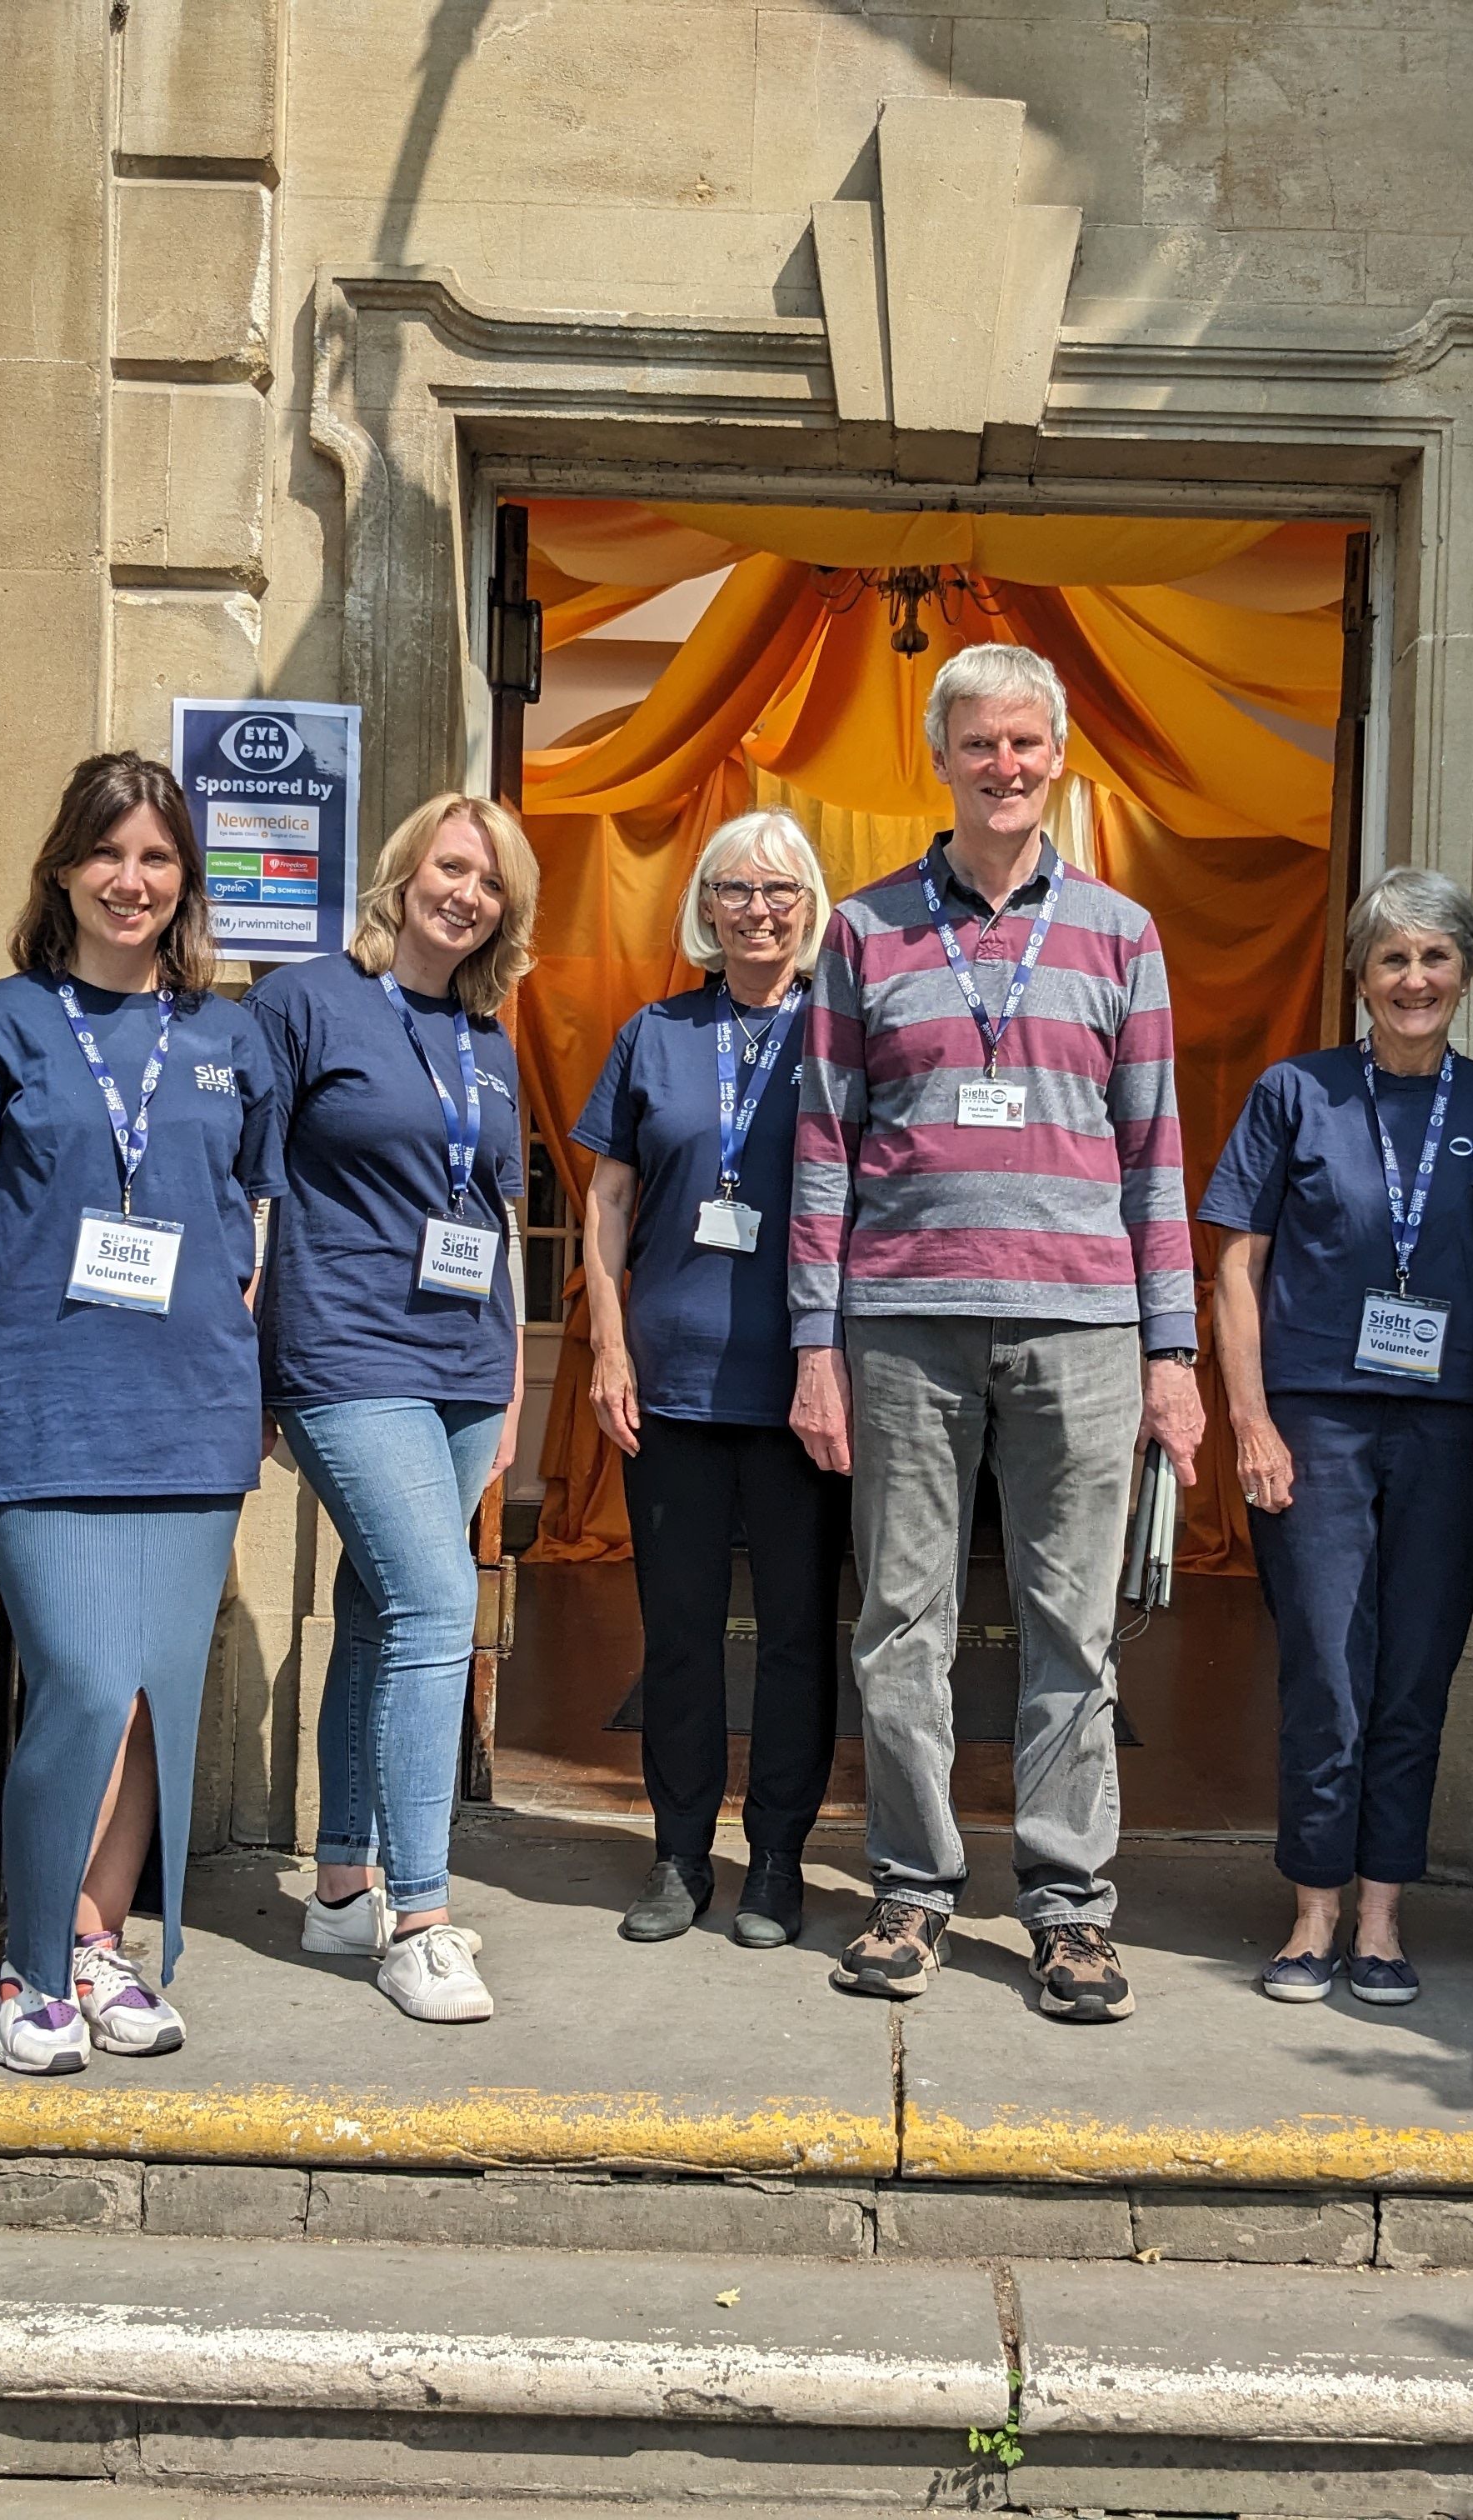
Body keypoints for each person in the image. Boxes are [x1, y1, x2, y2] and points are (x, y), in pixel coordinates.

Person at [791, 642, 1204, 2027]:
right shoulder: (862, 931)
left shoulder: (1121, 933)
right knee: (899, 1621)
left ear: (1059, 756)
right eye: (982, 744)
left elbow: (1155, 1154)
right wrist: (812, 1344)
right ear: (943, 756)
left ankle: (1070, 1912)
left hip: (1082, 1324)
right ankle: (911, 1889)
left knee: (1070, 1630)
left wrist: (1173, 1354)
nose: (1007, 766)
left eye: (1028, 744)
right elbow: (824, 1155)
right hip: (902, 1323)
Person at [0, 752, 282, 2076]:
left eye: (159, 859)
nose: (132, 881)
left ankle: (94, 1946)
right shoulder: (0, 1024)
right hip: (40, 1403)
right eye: (109, 854)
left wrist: (255, 1373)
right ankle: (28, 1961)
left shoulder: (234, 1037)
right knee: (75, 1676)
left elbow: (254, 1226)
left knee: (147, 1698)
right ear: (64, 868)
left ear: (185, 884)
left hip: (189, 1413)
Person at [1204, 868, 1473, 2004]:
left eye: (1436, 957)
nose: (1414, 979)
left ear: (1468, 974)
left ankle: (1385, 1921)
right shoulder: (1295, 1093)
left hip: (1448, 1432)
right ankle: (1312, 1914)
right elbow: (1235, 1269)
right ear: (1358, 975)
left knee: (1415, 1674)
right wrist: (1249, 1421)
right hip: (1315, 1424)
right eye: (1392, 958)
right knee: (1328, 1675)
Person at [252, 793, 536, 2024]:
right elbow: (244, 1181)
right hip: (347, 1349)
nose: (465, 894)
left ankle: (339, 1888)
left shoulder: (493, 1040)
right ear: (404, 872)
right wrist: (242, 1356)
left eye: (491, 883)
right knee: (435, 1601)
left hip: (466, 1362)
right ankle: (422, 1915)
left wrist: (517, 1378)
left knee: (377, 1613)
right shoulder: (305, 1000)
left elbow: (502, 1221)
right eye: (451, 867)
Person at [575, 808, 846, 1948]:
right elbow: (606, 1203)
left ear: (810, 905)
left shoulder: (842, 1038)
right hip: (672, 1380)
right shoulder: (656, 1031)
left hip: (803, 1391)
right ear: (706, 906)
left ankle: (777, 1860)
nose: (759, 909)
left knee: (796, 1634)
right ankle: (680, 1857)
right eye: (736, 888)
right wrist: (607, 1344)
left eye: (781, 889)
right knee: (678, 1633)